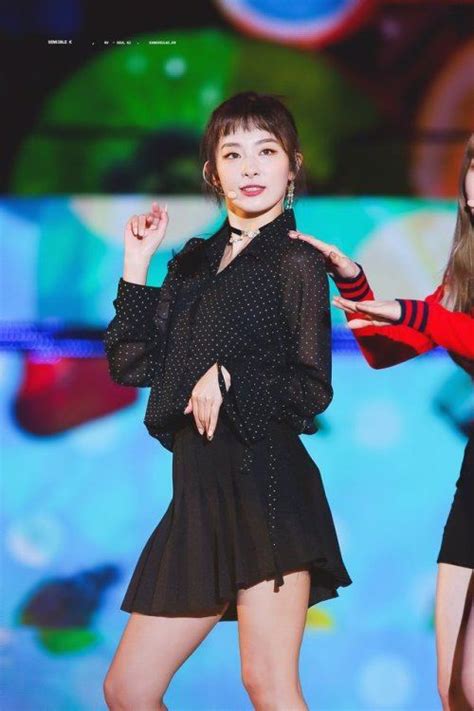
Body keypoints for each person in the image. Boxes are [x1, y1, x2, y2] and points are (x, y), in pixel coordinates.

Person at [102, 91, 351, 711]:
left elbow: (311, 388)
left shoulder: (295, 261)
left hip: (267, 490)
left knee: (268, 684)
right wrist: (136, 266)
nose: (250, 167)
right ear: (213, 171)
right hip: (196, 496)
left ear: (292, 166)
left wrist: (230, 376)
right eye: (233, 153)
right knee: (128, 690)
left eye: (266, 151)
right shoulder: (191, 263)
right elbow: (132, 363)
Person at [288, 133, 474, 710]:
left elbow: (450, 329)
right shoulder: (462, 281)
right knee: (453, 689)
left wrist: (408, 310)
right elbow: (383, 350)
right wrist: (353, 281)